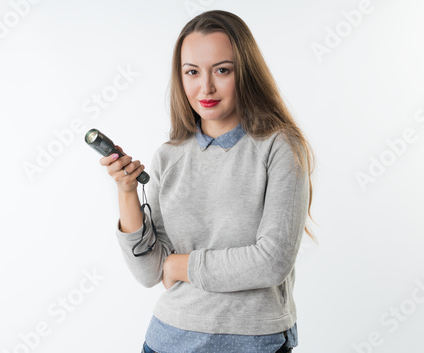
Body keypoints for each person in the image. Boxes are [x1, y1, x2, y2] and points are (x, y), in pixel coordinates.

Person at [99, 10, 316, 353]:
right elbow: (149, 272)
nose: (206, 87)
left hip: (254, 342)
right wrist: (126, 192)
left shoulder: (280, 147)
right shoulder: (168, 157)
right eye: (192, 72)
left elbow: (272, 261)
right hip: (166, 339)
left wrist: (180, 265)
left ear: (245, 72)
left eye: (222, 70)